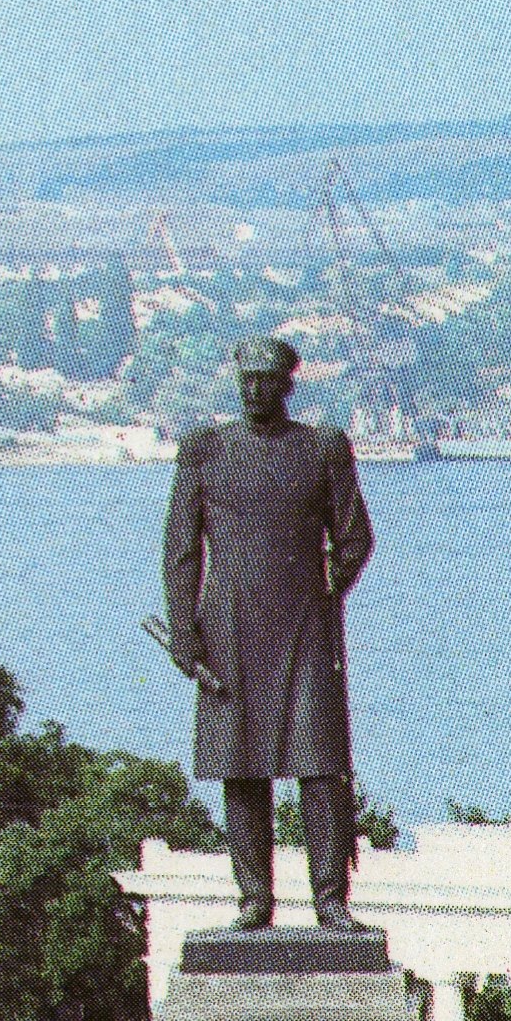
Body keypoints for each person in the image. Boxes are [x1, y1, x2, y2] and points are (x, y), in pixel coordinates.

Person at [162, 335, 375, 932]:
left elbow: (355, 536)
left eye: (268, 380)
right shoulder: (204, 452)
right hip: (228, 626)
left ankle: (331, 901)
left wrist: (329, 587)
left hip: (306, 628)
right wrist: (185, 631)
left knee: (323, 766)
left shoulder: (323, 448)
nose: (256, 391)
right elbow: (182, 548)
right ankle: (254, 899)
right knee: (242, 766)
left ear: (288, 385)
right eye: (247, 380)